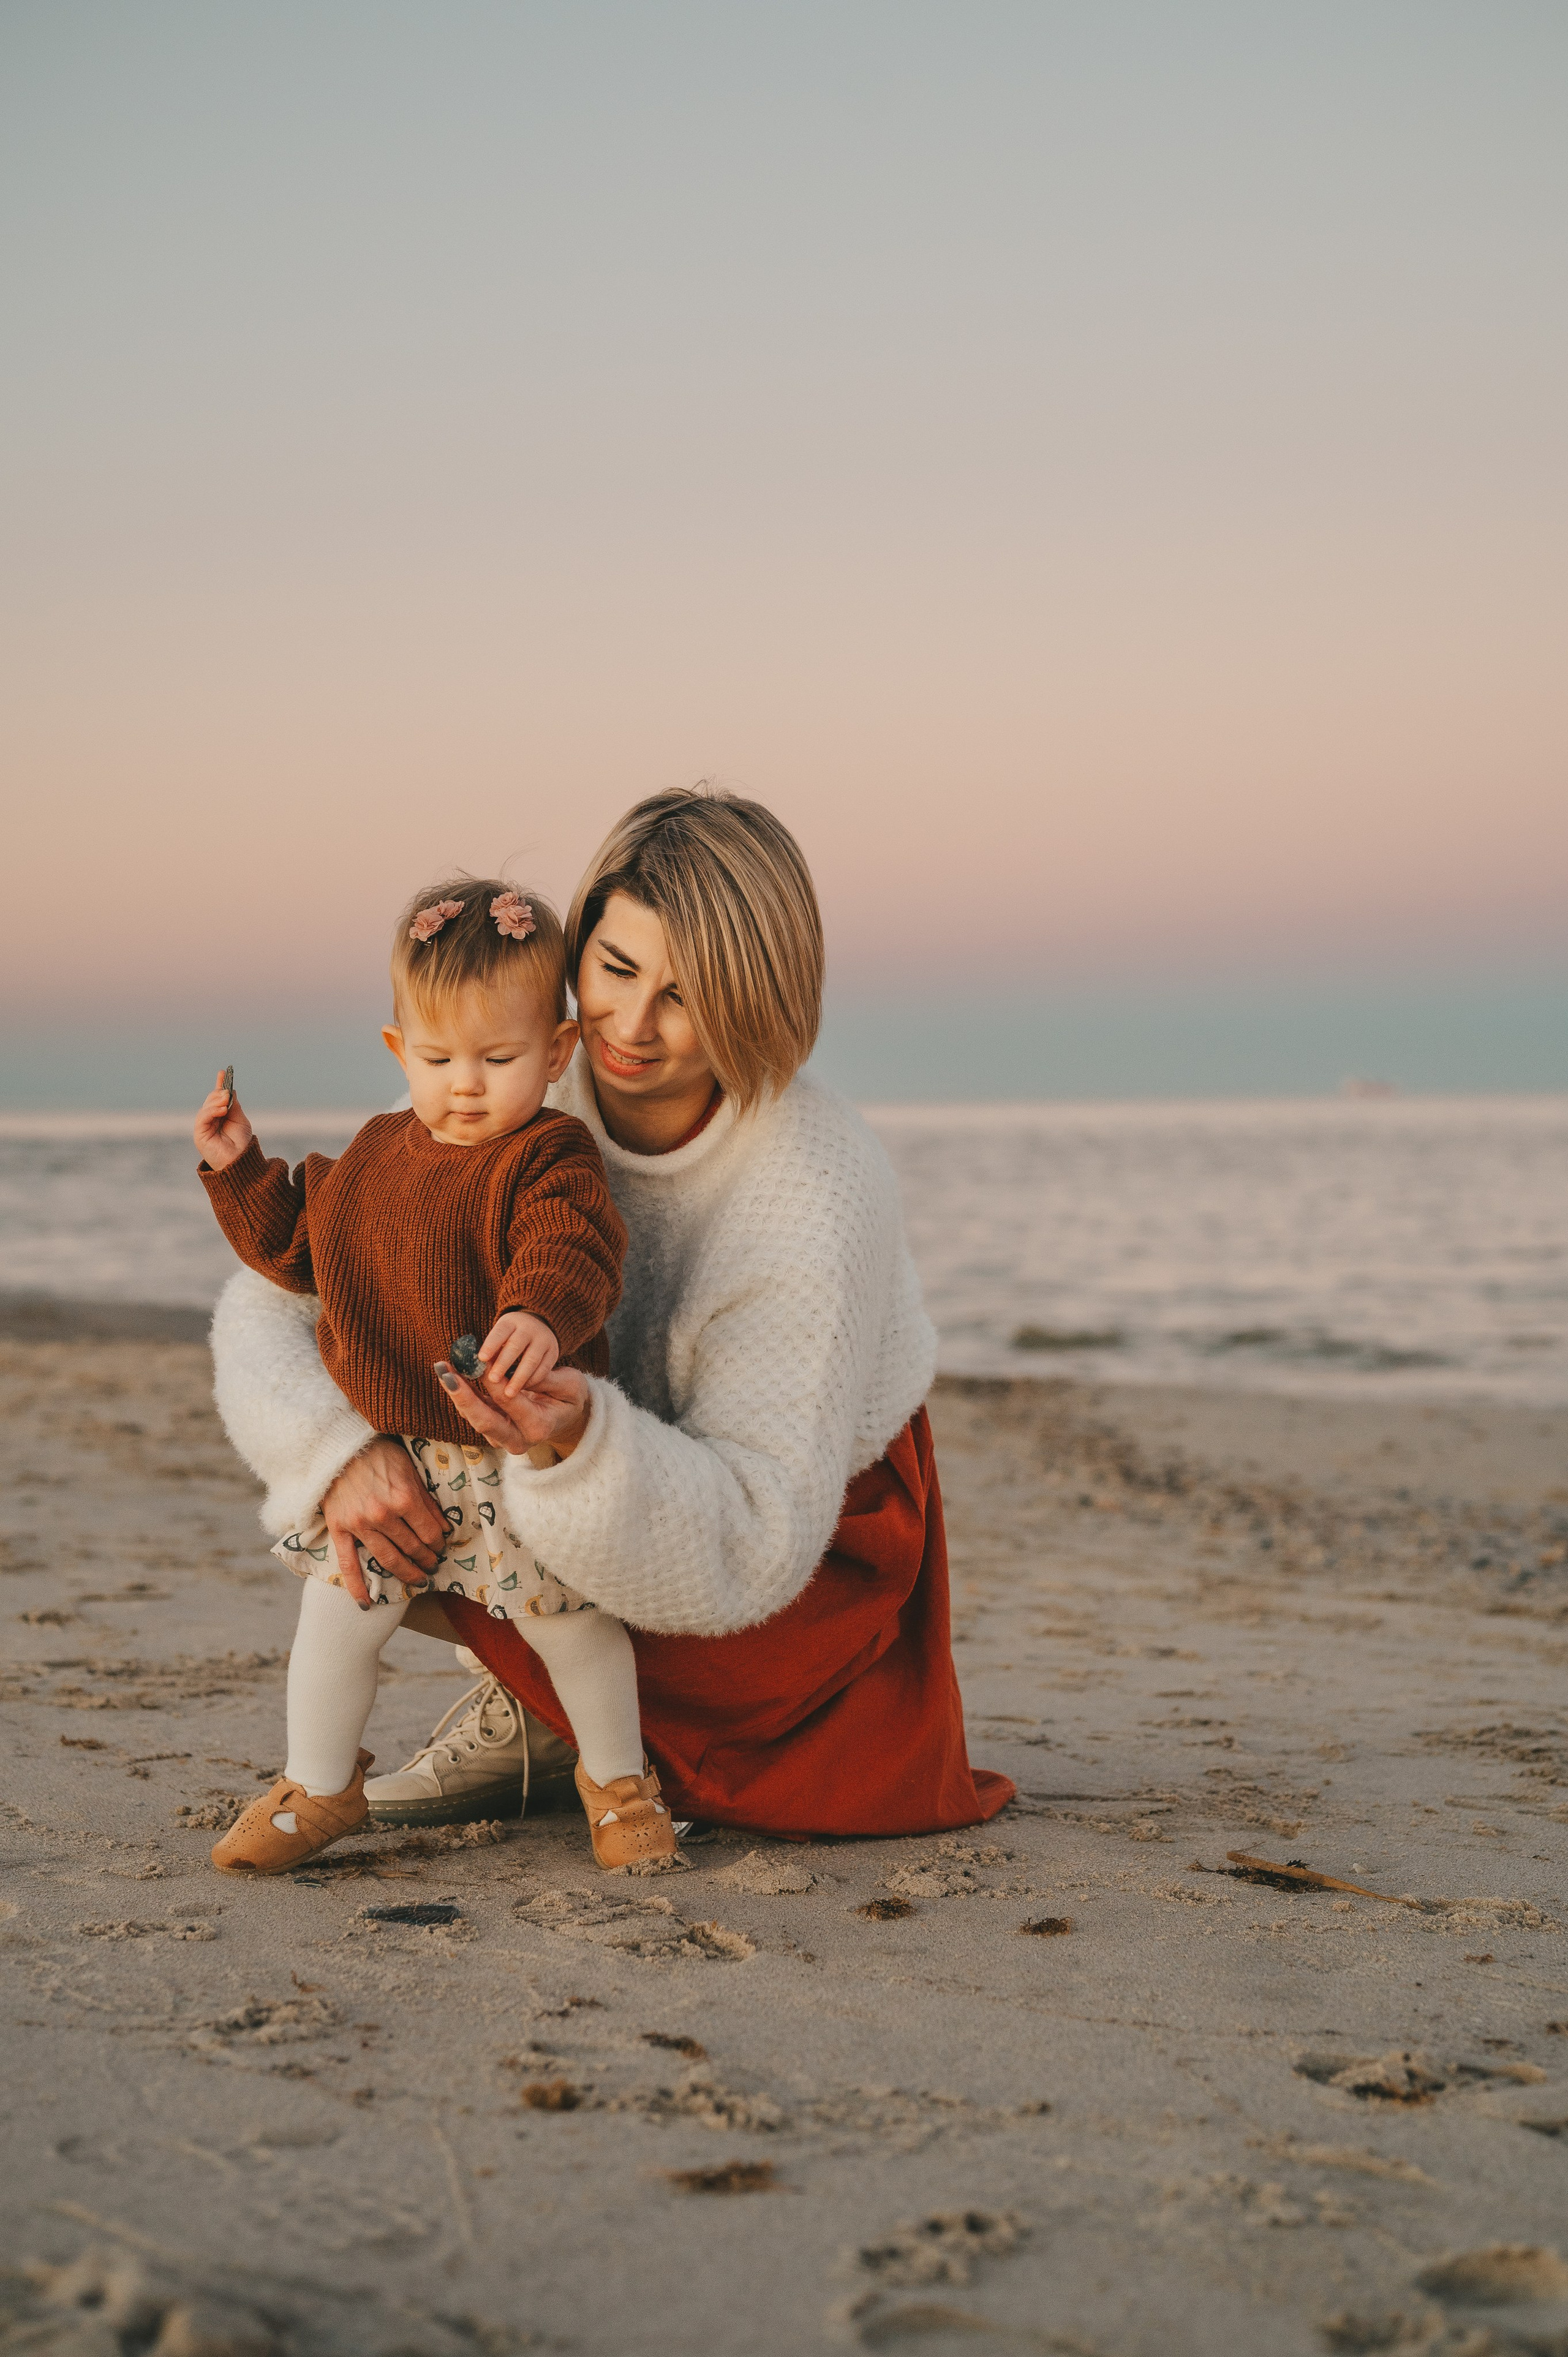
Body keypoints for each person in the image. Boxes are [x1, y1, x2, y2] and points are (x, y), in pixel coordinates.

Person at [209, 789, 1014, 1838]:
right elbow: (279, 1301)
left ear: (760, 996)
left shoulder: (815, 1185)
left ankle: (574, 1720)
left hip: (790, 1537)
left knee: (534, 1538)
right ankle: (540, 1711)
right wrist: (339, 1456)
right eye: (617, 969)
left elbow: (758, 1542)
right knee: (377, 1518)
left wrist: (581, 1444)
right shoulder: (508, 1078)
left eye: (686, 995)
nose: (631, 1029)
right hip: (563, 1456)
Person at [193, 880, 676, 1874]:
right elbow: (298, 1250)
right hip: (400, 1457)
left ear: (557, 1051)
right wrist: (240, 1172)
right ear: (396, 1049)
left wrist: (536, 1313)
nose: (466, 1085)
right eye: (438, 1057)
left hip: (517, 1454)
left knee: (572, 1628)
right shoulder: (374, 1155)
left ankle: (618, 1784)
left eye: (499, 1060)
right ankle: (318, 1785)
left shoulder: (549, 1152)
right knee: (338, 1616)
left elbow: (573, 1244)